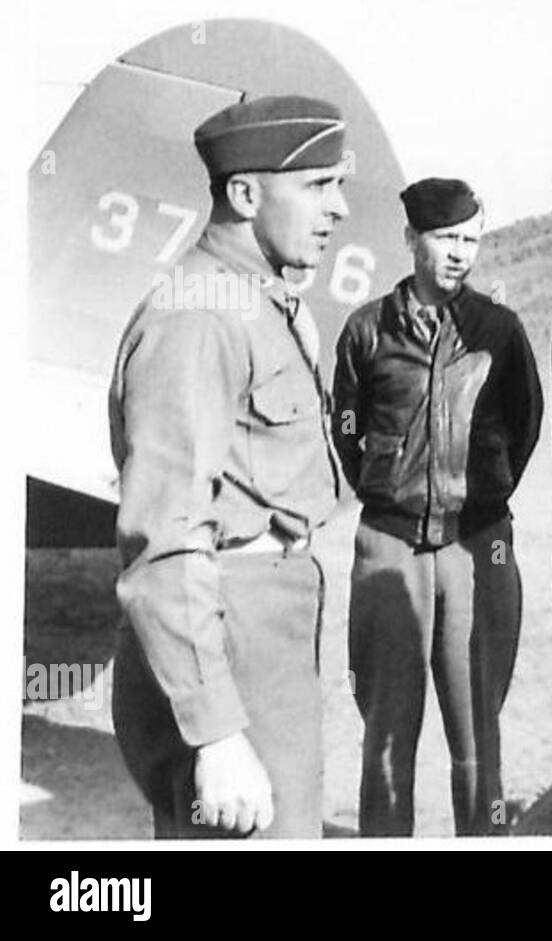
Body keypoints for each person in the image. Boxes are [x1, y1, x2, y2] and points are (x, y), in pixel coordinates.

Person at [109, 95, 349, 837]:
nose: (339, 208)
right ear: (245, 194)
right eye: (317, 186)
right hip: (229, 627)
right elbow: (164, 537)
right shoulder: (199, 317)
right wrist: (216, 733)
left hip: (262, 629)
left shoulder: (256, 298)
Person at [332, 178, 542, 836]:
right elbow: (346, 430)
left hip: (474, 545)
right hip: (389, 545)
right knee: (387, 735)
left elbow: (525, 424)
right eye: (447, 237)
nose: (461, 252)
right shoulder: (367, 330)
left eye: (471, 239)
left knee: (477, 733)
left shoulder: (498, 330)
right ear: (412, 239)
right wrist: (390, 486)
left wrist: (481, 497)